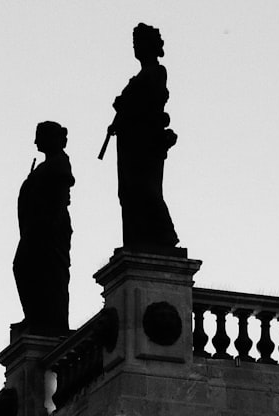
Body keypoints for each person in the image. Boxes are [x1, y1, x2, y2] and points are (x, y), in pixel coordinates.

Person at [107, 23, 180, 251]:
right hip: (131, 142)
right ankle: (137, 237)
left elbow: (150, 103)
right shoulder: (141, 76)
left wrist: (125, 105)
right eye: (135, 44)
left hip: (145, 142)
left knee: (145, 188)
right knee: (129, 192)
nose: (136, 48)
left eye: (139, 43)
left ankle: (165, 236)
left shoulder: (157, 72)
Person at [14, 121, 75, 335]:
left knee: (48, 271)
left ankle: (50, 319)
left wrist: (50, 224)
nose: (35, 141)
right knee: (30, 269)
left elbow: (60, 196)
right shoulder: (47, 165)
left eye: (39, 136)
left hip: (49, 227)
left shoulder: (59, 163)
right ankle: (36, 315)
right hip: (38, 227)